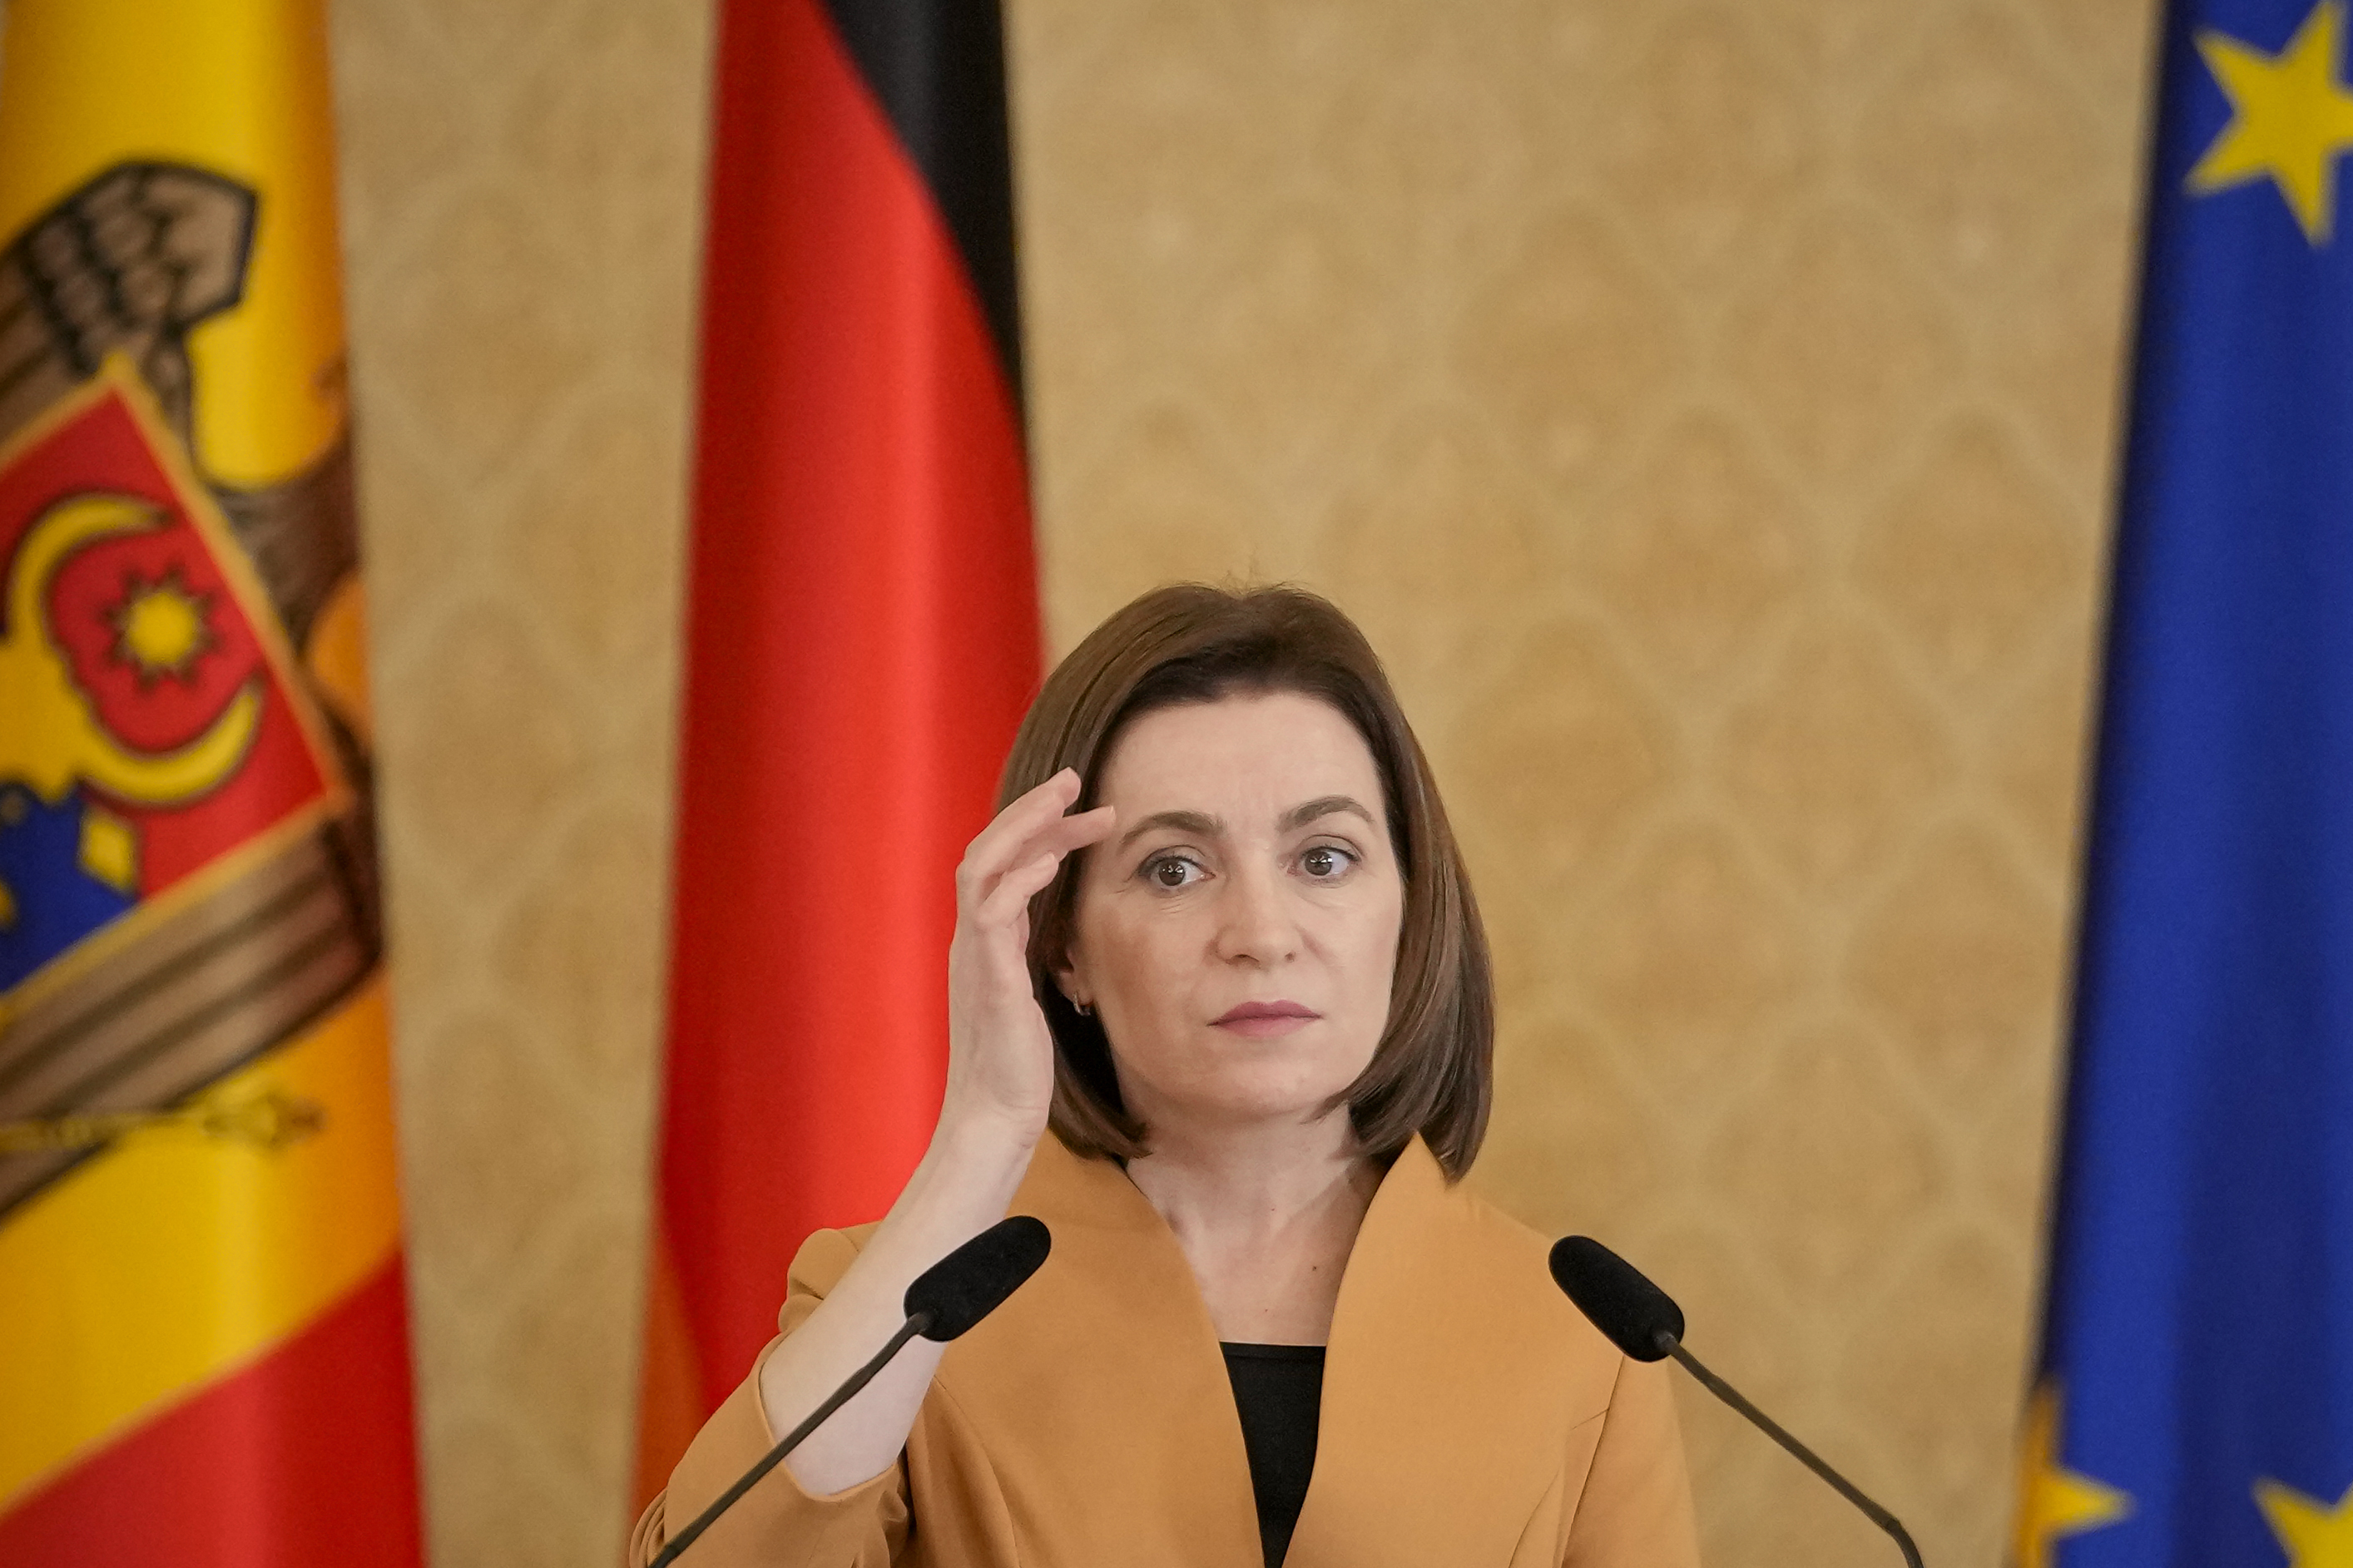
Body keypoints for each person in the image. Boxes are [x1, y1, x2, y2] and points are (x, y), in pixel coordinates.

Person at [629, 584, 1699, 1567]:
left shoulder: (1587, 1336)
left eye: (1323, 857)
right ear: (1061, 946)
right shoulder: (908, 1304)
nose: (1261, 933)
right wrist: (982, 1133)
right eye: (1173, 868)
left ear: (1410, 909)